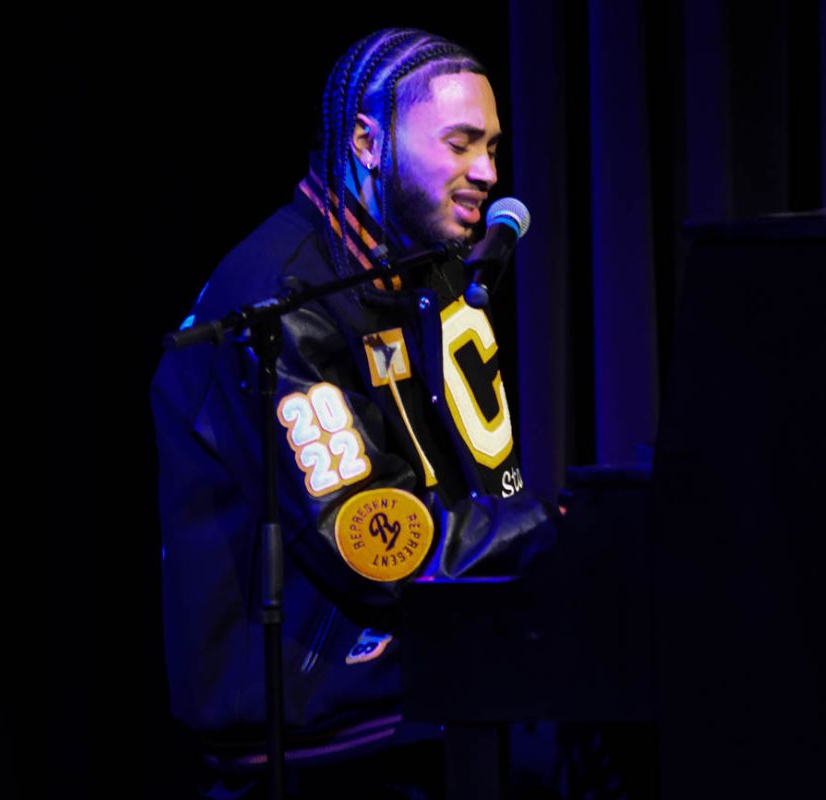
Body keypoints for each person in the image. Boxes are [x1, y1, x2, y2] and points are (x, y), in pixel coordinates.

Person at [150, 28, 556, 798]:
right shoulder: (281, 298)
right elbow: (372, 532)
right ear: (367, 142)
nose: (489, 175)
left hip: (427, 700)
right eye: (462, 144)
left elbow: (479, 484)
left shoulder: (423, 271)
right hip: (325, 742)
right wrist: (546, 532)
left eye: (494, 148)